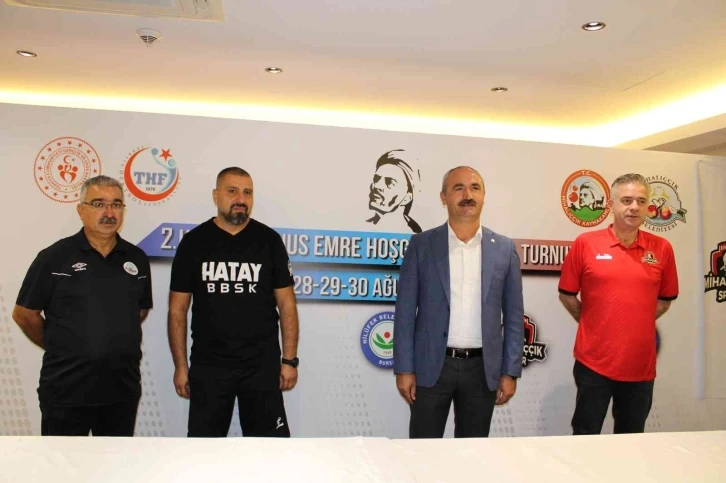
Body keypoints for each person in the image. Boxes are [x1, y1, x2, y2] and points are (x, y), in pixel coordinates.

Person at [12, 175, 152, 436]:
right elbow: (24, 314)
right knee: (61, 462)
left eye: (116, 204)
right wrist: (62, 346)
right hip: (66, 390)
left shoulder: (137, 259)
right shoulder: (54, 257)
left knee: (116, 461)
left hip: (121, 390)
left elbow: (139, 311)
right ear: (81, 210)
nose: (109, 212)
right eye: (99, 204)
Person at [393, 166, 524, 438]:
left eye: (475, 188)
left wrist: (510, 372)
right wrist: (404, 368)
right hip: (431, 367)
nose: (468, 195)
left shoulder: (504, 248)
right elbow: (405, 312)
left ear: (484, 196)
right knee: (423, 450)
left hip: (482, 370)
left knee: (472, 454)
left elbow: (514, 316)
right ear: (444, 197)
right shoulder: (421, 245)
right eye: (458, 188)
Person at [168, 167, 299, 438]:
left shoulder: (269, 241)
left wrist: (289, 361)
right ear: (216, 196)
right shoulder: (193, 243)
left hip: (261, 366)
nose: (241, 199)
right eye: (232, 191)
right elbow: (177, 310)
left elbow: (287, 304)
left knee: (271, 449)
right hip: (209, 366)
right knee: (203, 449)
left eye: (247, 193)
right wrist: (181, 366)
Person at [558, 173, 679, 435]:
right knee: (585, 436)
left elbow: (665, 300)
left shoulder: (662, 248)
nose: (634, 207)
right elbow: (566, 295)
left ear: (648, 207)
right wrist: (592, 321)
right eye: (626, 200)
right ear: (611, 205)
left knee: (631, 439)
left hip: (640, 367)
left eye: (641, 201)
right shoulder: (585, 244)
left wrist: (635, 321)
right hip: (593, 363)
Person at [366, 149, 422, 233]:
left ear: (407, 198)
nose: (377, 186)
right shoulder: (362, 227)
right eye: (376, 179)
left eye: (389, 182)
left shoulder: (414, 234)